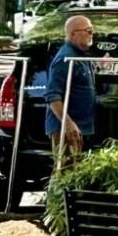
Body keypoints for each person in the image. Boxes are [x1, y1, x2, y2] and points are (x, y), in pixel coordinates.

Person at [45, 15, 99, 166]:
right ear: (73, 34)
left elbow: (79, 78)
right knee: (65, 174)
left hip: (80, 127)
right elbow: (52, 96)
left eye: (92, 30)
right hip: (67, 129)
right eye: (88, 30)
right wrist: (68, 125)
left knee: (75, 175)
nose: (91, 33)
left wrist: (99, 66)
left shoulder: (80, 55)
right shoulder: (65, 58)